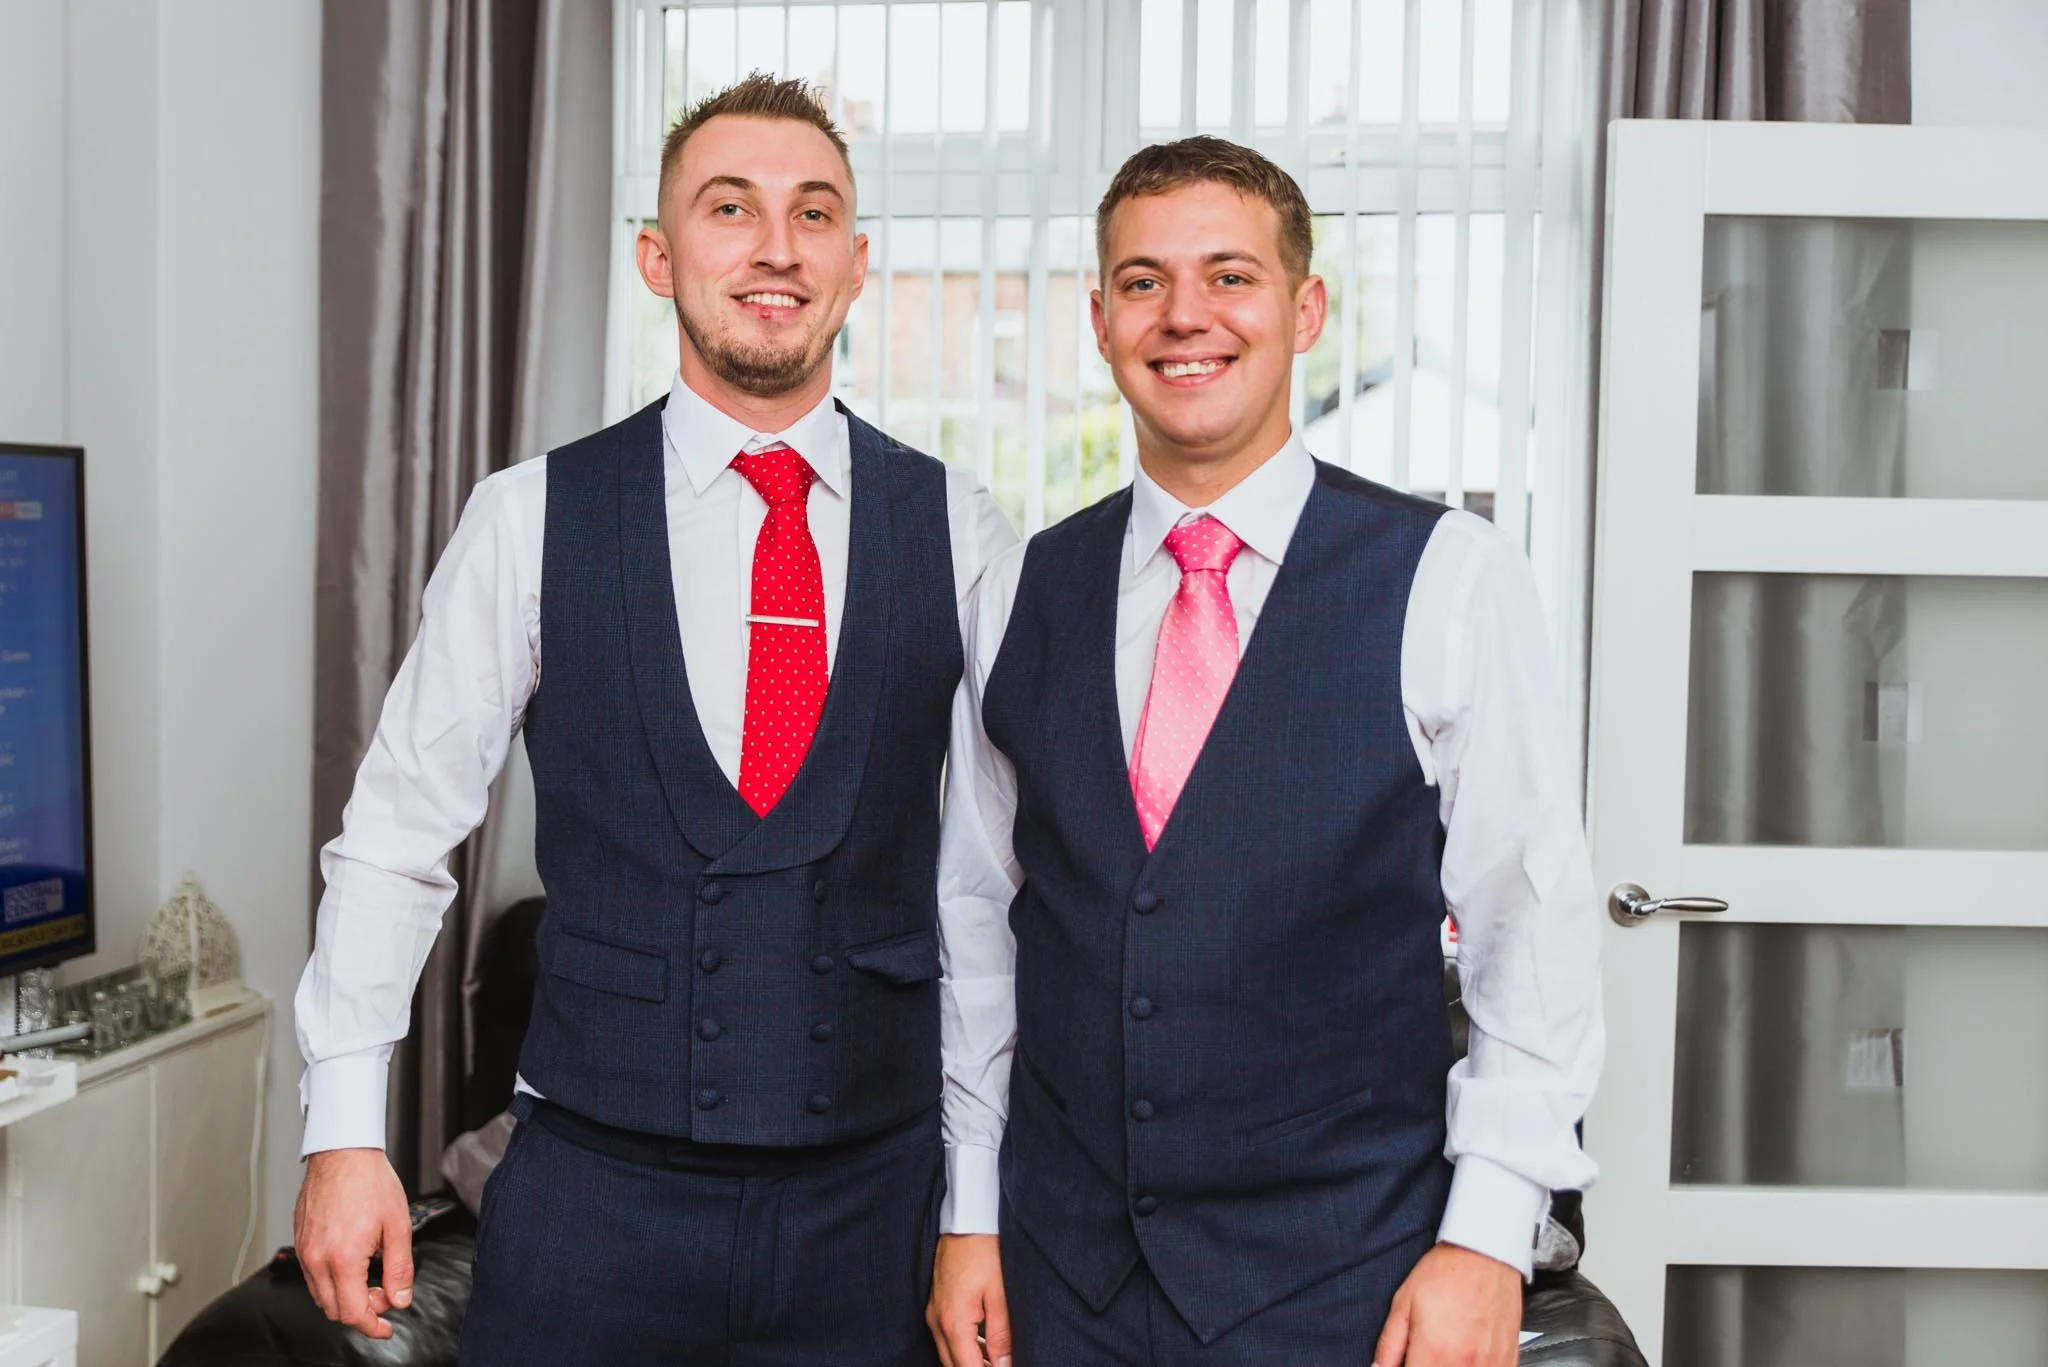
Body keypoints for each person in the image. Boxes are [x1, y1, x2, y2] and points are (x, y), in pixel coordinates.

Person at [292, 75, 1014, 1366]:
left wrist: (977, 1203)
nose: (775, 246)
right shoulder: (527, 516)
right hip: (588, 1199)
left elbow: (985, 891)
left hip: (873, 1207)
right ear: (658, 254)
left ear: (857, 265)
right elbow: (400, 833)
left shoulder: (964, 531)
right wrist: (345, 1128)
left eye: (814, 213)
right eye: (729, 207)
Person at [925, 136, 1604, 1366]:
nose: (1184, 315)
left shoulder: (1448, 579)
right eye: (1141, 282)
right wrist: (968, 1211)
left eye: (1228, 276)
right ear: (1098, 318)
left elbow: (1530, 929)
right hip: (1059, 1272)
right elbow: (975, 922)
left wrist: (1485, 1238)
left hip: (1346, 1278)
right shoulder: (1020, 585)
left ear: (1305, 309)